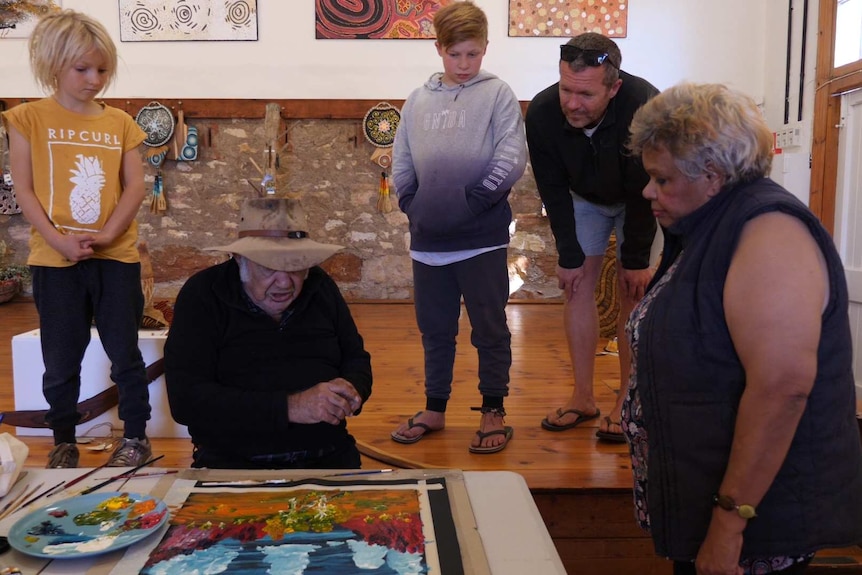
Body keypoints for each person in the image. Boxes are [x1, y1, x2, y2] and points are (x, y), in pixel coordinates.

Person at [623, 82, 862, 574]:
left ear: (711, 175)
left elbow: (781, 389)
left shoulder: (768, 232)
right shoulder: (711, 223)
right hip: (710, 495)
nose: (649, 191)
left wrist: (728, 526)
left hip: (753, 525)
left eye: (661, 179)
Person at [1, 10, 152, 468]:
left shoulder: (122, 123)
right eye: (82, 69)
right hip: (55, 259)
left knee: (126, 352)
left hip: (116, 256)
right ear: (53, 64)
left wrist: (108, 233)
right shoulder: (27, 118)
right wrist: (59, 240)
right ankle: (63, 439)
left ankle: (137, 438)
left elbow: (135, 186)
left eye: (102, 70)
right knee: (61, 357)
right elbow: (23, 188)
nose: (94, 79)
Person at [388, 0, 527, 454]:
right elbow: (402, 160)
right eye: (455, 55)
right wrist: (412, 204)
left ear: (485, 48)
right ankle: (434, 406)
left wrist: (475, 201)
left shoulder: (498, 95)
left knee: (489, 327)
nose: (464, 64)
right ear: (439, 49)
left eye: (473, 54)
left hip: (480, 238)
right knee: (434, 328)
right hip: (428, 242)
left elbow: (510, 156)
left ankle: (493, 409)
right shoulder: (417, 100)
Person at [164, 198, 373, 469]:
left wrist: (351, 389)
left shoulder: (320, 286)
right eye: (268, 267)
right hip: (234, 465)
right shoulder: (204, 294)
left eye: (296, 266)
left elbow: (356, 358)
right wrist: (292, 407)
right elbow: (187, 401)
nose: (285, 282)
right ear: (239, 259)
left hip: (328, 457)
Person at [525, 32, 658, 442]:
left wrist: (635, 258)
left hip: (641, 198)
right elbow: (551, 189)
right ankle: (583, 398)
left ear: (613, 87)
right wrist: (568, 253)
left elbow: (646, 188)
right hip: (583, 198)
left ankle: (626, 401)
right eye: (566, 89)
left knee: (632, 292)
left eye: (585, 95)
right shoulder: (543, 113)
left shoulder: (644, 106)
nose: (572, 104)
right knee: (576, 283)